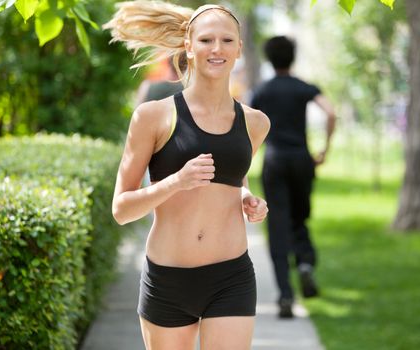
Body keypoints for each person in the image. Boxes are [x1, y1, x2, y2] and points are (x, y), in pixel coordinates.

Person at [104, 2, 270, 349]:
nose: (217, 49)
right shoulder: (152, 117)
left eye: (227, 40)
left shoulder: (255, 123)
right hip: (168, 280)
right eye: (207, 40)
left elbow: (233, 179)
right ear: (189, 47)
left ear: (239, 48)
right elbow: (121, 209)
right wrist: (175, 181)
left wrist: (247, 200)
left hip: (231, 276)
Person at [250, 36, 336, 318]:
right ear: (293, 57)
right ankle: (305, 263)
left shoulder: (262, 90)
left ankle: (286, 295)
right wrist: (325, 148)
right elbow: (331, 112)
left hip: (274, 160)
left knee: (277, 224)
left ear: (269, 58)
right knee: (300, 216)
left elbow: (247, 121)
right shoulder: (304, 87)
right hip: (302, 160)